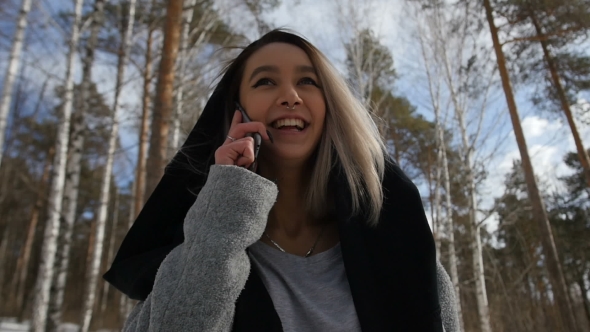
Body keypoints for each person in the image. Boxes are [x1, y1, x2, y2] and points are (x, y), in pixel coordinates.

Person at [104, 29, 459, 332]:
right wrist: (226, 200)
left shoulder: (401, 248)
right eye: (265, 81)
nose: (290, 96)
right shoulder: (201, 248)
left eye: (307, 81)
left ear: (331, 106)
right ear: (236, 113)